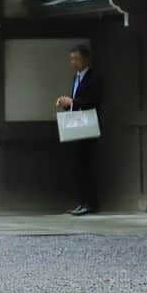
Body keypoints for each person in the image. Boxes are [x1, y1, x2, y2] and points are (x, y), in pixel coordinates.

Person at [56, 43, 103, 215]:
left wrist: (73, 102)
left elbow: (94, 100)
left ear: (85, 59)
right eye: (71, 59)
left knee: (86, 165)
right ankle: (81, 201)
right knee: (77, 166)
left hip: (89, 124)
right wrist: (67, 103)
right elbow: (76, 100)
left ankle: (91, 202)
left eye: (76, 59)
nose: (73, 62)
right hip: (77, 123)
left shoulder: (94, 77)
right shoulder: (76, 78)